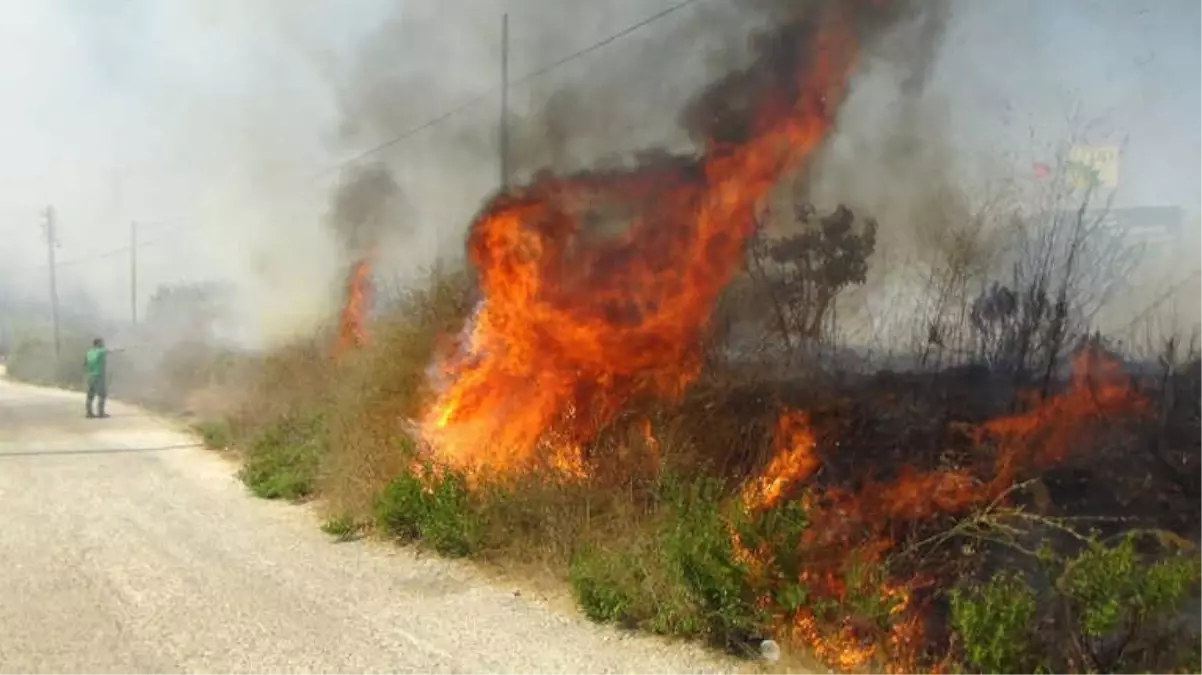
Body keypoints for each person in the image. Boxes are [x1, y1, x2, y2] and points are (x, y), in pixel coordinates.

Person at [84, 337, 109, 419]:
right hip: (98, 376)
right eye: (101, 343)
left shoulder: (89, 352)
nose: (103, 344)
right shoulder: (101, 351)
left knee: (90, 395)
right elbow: (110, 351)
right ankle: (100, 413)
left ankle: (89, 412)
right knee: (102, 395)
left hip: (90, 375)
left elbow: (85, 364)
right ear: (98, 344)